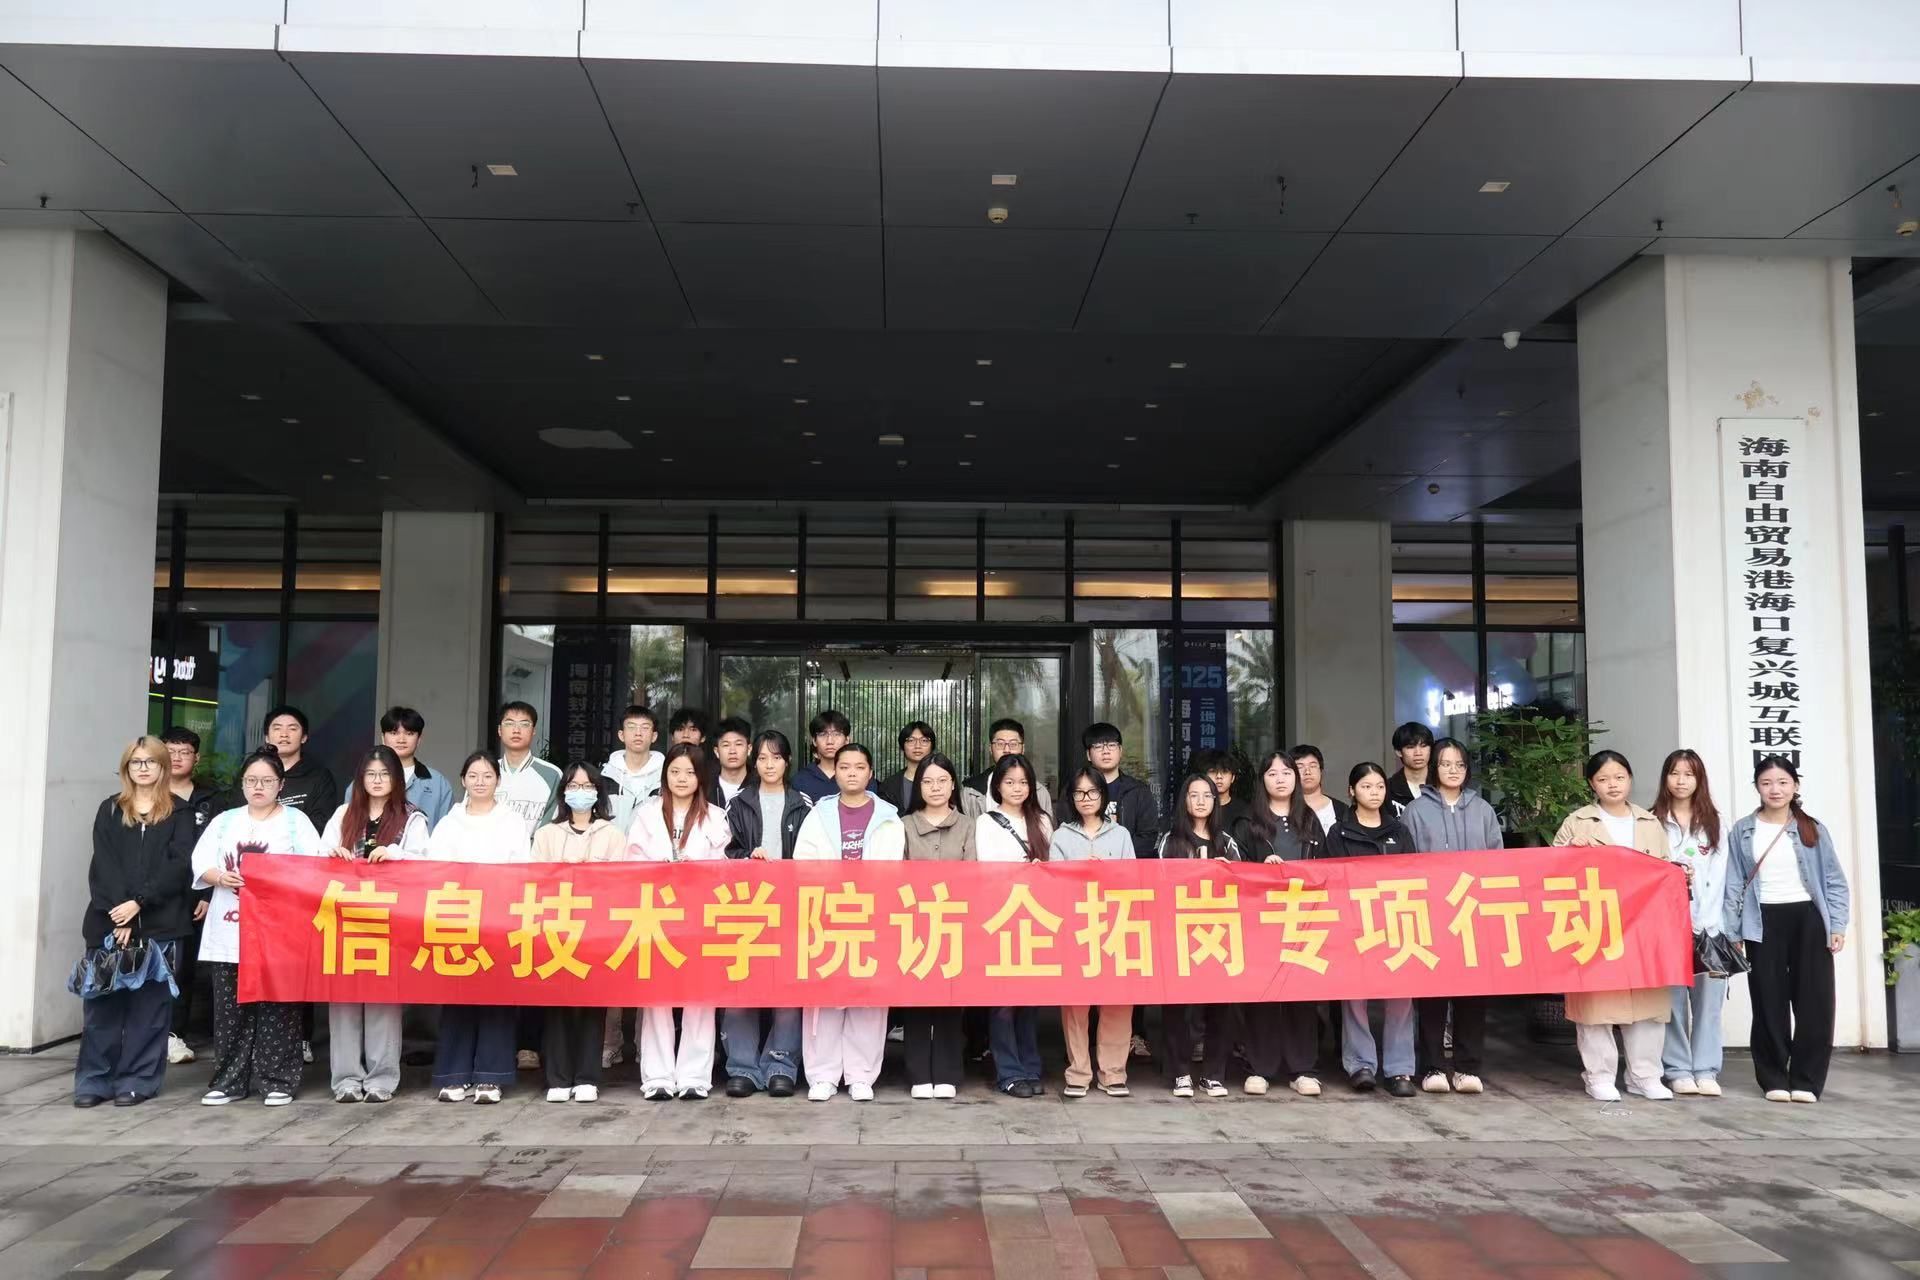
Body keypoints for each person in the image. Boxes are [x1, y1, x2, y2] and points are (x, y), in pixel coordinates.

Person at [190, 748, 324, 1106]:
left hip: (280, 933)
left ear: (281, 784)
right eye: (251, 780)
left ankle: (277, 1080)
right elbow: (200, 862)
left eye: (266, 780)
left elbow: (316, 868)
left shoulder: (296, 822)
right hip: (229, 931)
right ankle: (228, 1081)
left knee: (279, 1007)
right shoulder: (225, 821)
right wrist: (220, 876)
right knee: (230, 1010)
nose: (258, 787)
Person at [74, 738, 195, 1108]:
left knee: (149, 1011)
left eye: (150, 762)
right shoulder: (110, 809)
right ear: (126, 768)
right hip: (109, 923)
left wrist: (138, 904)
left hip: (160, 924)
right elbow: (103, 864)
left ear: (162, 767)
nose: (143, 768)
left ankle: (137, 1081)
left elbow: (178, 866)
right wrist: (120, 910)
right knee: (102, 1008)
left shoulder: (180, 812)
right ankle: (95, 1081)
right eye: (136, 762)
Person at [1550, 750, 1675, 1102]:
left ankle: (1645, 1075)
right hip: (1595, 925)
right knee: (1597, 1005)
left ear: (1630, 779)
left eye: (1619, 777)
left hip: (1644, 926)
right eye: (1603, 779)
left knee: (1647, 1004)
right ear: (1592, 784)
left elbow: (1665, 871)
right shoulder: (1578, 821)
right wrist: (1570, 850)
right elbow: (1551, 872)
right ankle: (1599, 1075)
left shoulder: (1649, 822)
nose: (1613, 785)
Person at [1725, 755, 1850, 1104]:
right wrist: (1733, 931)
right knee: (1768, 1000)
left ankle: (1807, 1080)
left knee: (1815, 1001)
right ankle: (1774, 1077)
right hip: (1762, 920)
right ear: (1757, 787)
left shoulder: (1812, 828)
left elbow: (1834, 881)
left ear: (1795, 785)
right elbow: (1733, 882)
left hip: (1809, 918)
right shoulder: (1743, 829)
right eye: (1766, 783)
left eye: (1782, 782)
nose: (1775, 790)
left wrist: (1837, 924)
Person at [318, 746, 430, 1103]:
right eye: (371, 774)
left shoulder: (412, 818)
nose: (377, 780)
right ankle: (346, 1080)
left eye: (384, 774)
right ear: (360, 779)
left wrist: (396, 855)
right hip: (344, 919)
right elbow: (316, 859)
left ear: (396, 779)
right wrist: (333, 855)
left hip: (388, 921)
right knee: (344, 1001)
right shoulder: (343, 814)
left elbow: (427, 865)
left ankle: (382, 1079)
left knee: (384, 1000)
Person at [794, 744, 905, 1100]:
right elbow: (803, 861)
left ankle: (861, 1075)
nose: (852, 773)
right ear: (835, 772)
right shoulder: (819, 814)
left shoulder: (889, 816)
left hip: (871, 917)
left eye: (859, 767)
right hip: (826, 915)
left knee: (867, 997)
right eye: (845, 767)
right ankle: (822, 1075)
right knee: (824, 996)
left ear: (870, 773)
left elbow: (893, 869)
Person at [426, 752, 530, 1102]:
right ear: (463, 780)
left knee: (496, 996)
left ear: (498, 780)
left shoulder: (512, 821)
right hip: (457, 919)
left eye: (487, 775)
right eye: (473, 775)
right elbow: (435, 868)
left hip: (499, 919)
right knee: (458, 996)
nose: (480, 782)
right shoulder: (449, 823)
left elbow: (522, 869)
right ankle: (455, 1074)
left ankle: (491, 1075)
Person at [629, 743, 731, 1099]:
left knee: (699, 997)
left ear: (701, 777)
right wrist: (658, 867)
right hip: (656, 915)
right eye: (675, 772)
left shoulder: (715, 816)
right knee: (656, 996)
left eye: (689, 772)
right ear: (665, 776)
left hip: (700, 918)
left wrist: (698, 869)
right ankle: (656, 1076)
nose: (682, 779)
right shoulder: (646, 814)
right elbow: (631, 861)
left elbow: (724, 867)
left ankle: (694, 1076)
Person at [1402, 738, 1501, 1096]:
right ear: (1434, 768)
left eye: (1459, 764)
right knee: (1432, 995)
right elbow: (1405, 863)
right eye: (1445, 764)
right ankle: (1431, 1066)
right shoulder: (1416, 810)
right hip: (1431, 915)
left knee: (1472, 994)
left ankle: (1467, 1067)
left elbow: (1498, 861)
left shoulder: (1483, 810)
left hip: (1473, 915)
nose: (1453, 770)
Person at [1229, 750, 1324, 1098]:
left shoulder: (1309, 819)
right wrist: (1260, 869)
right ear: (1262, 781)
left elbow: (1326, 866)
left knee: (1302, 995)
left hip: (1304, 918)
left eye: (1286, 772)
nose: (1280, 779)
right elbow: (1234, 870)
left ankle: (1303, 1069)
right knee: (1264, 993)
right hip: (1262, 920)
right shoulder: (1247, 822)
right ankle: (1260, 1067)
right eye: (1272, 773)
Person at [720, 730, 809, 1097]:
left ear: (787, 762)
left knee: (787, 987)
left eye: (776, 757)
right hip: (747, 905)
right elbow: (724, 852)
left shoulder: (804, 804)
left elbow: (813, 855)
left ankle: (781, 1064)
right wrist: (747, 858)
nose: (769, 765)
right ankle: (742, 1067)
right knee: (742, 984)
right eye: (762, 758)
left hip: (791, 907)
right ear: (753, 762)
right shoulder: (737, 804)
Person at [1324, 763, 1420, 1098]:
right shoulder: (1339, 833)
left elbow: (1414, 874)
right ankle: (1360, 1065)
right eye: (1366, 786)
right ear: (1352, 791)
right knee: (1355, 996)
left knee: (1400, 997)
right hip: (1354, 924)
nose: (1374, 792)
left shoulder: (1399, 831)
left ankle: (1399, 1068)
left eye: (1379, 786)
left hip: (1395, 921)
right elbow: (1331, 879)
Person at [532, 762, 625, 1104]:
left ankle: (587, 1077)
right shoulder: (547, 835)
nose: (580, 792)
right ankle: (557, 1077)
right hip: (555, 930)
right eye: (574, 786)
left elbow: (622, 882)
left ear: (598, 793)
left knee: (591, 1004)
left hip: (596, 932)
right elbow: (534, 880)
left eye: (588, 787)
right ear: (563, 793)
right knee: (556, 1005)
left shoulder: (613, 835)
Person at [1155, 774, 1242, 1098]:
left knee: (1220, 1005)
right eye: (1194, 795)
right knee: (1179, 1007)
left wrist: (1227, 871)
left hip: (1220, 935)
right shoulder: (1171, 841)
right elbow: (1160, 884)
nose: (1201, 801)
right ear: (1185, 801)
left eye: (1207, 795)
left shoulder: (1226, 841)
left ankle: (1214, 1074)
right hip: (1180, 933)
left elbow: (1244, 885)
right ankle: (1180, 1073)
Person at [1052, 766, 1134, 1099]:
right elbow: (1052, 883)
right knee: (1075, 1003)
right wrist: (1079, 873)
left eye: (1092, 792)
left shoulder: (1121, 834)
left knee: (1117, 1002)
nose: (1086, 799)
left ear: (1103, 795)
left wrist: (1107, 874)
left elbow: (1133, 881)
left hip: (1114, 925)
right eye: (1079, 793)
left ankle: (1113, 1073)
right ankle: (1078, 1072)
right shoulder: (1061, 836)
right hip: (1075, 927)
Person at [1652, 749, 1728, 1098]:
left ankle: (1706, 1069)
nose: (1681, 781)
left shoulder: (1716, 823)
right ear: (1665, 778)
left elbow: (1727, 878)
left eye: (1689, 774)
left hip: (1710, 927)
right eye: (1674, 773)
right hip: (1665, 928)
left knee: (1709, 1005)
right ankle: (1678, 1069)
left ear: (1700, 780)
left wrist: (1725, 927)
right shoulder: (1651, 821)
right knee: (1671, 1003)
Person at [898, 753, 974, 1099]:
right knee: (916, 1001)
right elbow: (896, 873)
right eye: (927, 781)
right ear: (919, 786)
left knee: (950, 1000)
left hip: (955, 921)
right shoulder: (903, 825)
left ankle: (947, 1072)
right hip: (913, 922)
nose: (935, 787)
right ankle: (918, 1073)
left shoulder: (969, 825)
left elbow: (973, 873)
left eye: (942, 780)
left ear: (953, 784)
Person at [160, 726, 221, 1067]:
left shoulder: (214, 799)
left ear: (196, 758)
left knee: (194, 967)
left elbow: (223, 850)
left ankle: (183, 1033)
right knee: (165, 966)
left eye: (184, 752)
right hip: (158, 896)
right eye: (170, 752)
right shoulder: (147, 796)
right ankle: (162, 1033)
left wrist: (209, 892)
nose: (177, 758)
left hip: (201, 894)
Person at [263, 704, 341, 829]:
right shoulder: (253, 775)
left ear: (304, 737)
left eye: (292, 729)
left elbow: (321, 824)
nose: (284, 734)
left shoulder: (319, 777)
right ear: (267, 737)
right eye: (277, 728)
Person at [496, 701, 562, 841]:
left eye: (524, 724)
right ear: (500, 730)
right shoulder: (485, 773)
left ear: (533, 731)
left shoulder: (551, 775)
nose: (516, 730)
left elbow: (553, 825)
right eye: (509, 723)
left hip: (534, 853)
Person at [379, 705, 455, 829]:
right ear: (383, 738)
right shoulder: (366, 779)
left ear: (419, 739)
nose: (401, 739)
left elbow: (448, 831)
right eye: (394, 733)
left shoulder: (438, 783)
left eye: (409, 733)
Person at [961, 718, 1054, 819]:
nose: (1007, 750)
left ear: (1023, 748)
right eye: (1000, 744)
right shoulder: (970, 793)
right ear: (990, 749)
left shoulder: (1039, 792)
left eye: (1013, 744)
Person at [604, 704, 664, 828]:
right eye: (631, 727)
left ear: (654, 736)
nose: (638, 733)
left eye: (645, 727)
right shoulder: (604, 775)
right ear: (621, 735)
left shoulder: (666, 777)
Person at [1293, 744, 1350, 846]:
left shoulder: (1341, 810)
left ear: (1321, 771)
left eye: (1313, 766)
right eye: (1299, 767)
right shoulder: (1283, 809)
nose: (1307, 772)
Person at [794, 710, 852, 804]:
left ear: (847, 740)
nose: (830, 741)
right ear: (814, 741)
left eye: (836, 734)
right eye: (822, 734)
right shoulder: (800, 780)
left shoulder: (859, 776)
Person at [878, 721, 937, 812]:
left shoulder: (943, 781)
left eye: (924, 740)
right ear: (902, 747)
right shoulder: (889, 786)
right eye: (911, 740)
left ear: (932, 746)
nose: (918, 746)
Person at [1386, 721, 1434, 816]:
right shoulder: (1388, 789)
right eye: (1410, 747)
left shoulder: (1442, 785)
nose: (1418, 753)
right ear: (1399, 752)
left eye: (1423, 746)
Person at [1197, 749, 1247, 836]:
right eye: (1213, 771)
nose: (1219, 776)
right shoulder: (1198, 807)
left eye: (1225, 771)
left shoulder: (1244, 810)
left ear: (1233, 778)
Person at [711, 717, 753, 805]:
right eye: (726, 745)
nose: (732, 751)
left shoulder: (760, 786)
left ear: (749, 749)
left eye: (738, 744)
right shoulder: (706, 787)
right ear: (716, 752)